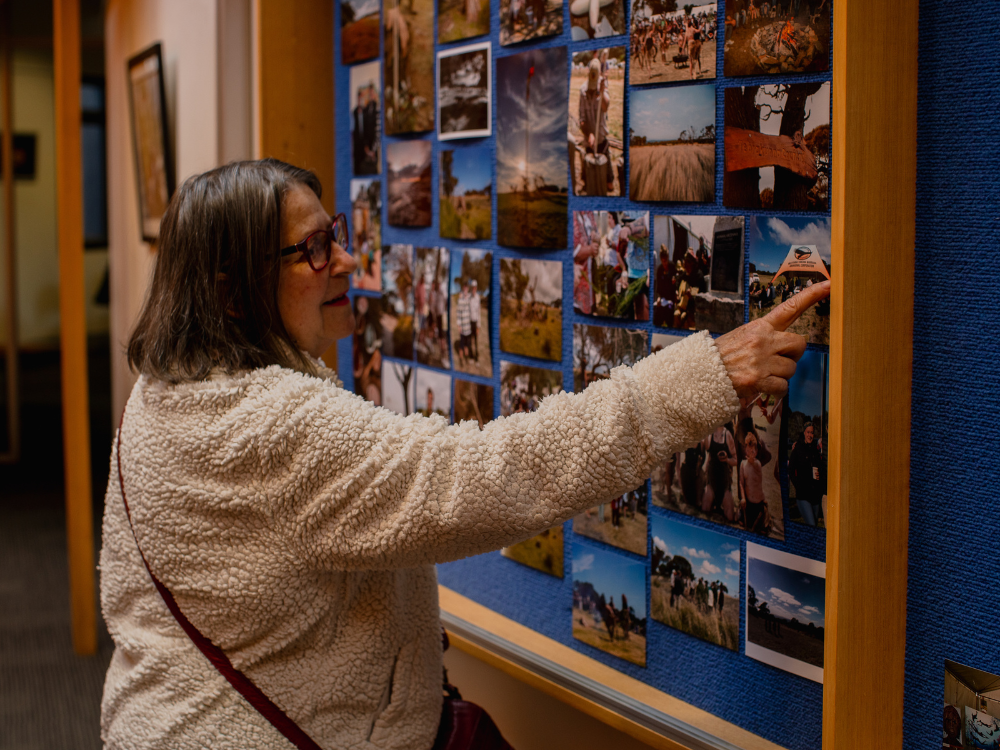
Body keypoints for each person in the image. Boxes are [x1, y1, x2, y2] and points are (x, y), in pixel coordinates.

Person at [102, 159, 829, 750]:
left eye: (338, 234)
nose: (347, 260)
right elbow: (487, 476)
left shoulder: (162, 395)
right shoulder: (267, 426)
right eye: (313, 248)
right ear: (230, 294)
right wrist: (696, 380)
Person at [577, 58, 612, 194]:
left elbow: (606, 106)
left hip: (602, 141)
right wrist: (588, 134)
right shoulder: (582, 90)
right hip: (589, 144)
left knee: (609, 185)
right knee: (589, 184)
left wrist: (602, 92)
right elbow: (582, 120)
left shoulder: (603, 86)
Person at [789, 422, 825, 525]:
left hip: (815, 496)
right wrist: (798, 486)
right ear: (804, 433)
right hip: (803, 495)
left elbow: (820, 467)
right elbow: (791, 470)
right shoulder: (798, 449)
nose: (810, 435)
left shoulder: (815, 449)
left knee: (815, 525)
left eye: (812, 433)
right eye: (808, 432)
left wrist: (820, 475)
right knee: (812, 524)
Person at [468, 278, 481, 360]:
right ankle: (471, 355)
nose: (473, 289)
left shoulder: (478, 298)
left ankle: (476, 355)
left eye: (475, 287)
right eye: (472, 287)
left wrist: (478, 326)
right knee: (470, 340)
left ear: (476, 288)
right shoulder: (469, 298)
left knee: (476, 340)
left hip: (475, 322)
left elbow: (479, 312)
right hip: (470, 322)